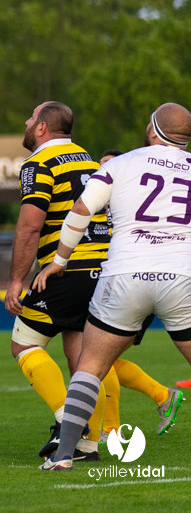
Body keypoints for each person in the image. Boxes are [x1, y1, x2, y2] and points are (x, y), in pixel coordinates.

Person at [38, 104, 191, 469]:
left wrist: (59, 261)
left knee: (89, 367)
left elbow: (80, 211)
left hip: (125, 275)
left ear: (153, 129)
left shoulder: (120, 164)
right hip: (181, 278)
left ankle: (64, 456)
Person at [3, 102, 126, 460]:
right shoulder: (89, 161)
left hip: (67, 267)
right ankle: (88, 445)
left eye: (30, 118)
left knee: (23, 343)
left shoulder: (39, 163)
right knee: (84, 357)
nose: (26, 123)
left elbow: (30, 225)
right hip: (104, 267)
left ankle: (71, 423)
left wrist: (16, 280)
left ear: (41, 128)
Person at [95, 148, 183, 436]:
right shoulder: (102, 205)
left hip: (130, 284)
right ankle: (162, 396)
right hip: (121, 284)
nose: (103, 173)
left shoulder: (129, 206)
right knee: (102, 358)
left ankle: (111, 428)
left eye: (108, 167)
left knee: (95, 357)